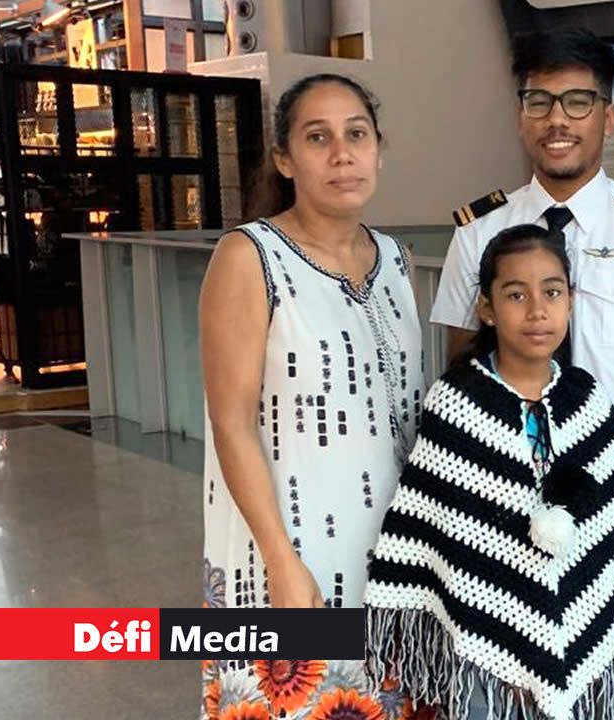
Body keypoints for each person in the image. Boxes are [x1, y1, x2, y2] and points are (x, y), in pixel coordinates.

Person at [428, 28, 614, 718]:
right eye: (540, 101)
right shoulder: (477, 230)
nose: (558, 119)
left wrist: (593, 483)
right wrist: (511, 481)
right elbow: (465, 370)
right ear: (520, 114)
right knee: (509, 673)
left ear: (607, 117)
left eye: (578, 102)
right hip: (502, 492)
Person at [197, 74, 427, 720]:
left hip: (392, 548)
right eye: (318, 138)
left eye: (357, 135)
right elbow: (231, 422)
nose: (342, 154)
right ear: (284, 158)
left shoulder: (397, 260)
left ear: (379, 149)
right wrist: (281, 560)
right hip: (290, 545)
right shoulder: (250, 256)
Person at [364, 224, 614, 720]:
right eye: (516, 295)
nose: (537, 310)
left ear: (570, 301)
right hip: (487, 657)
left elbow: (612, 531)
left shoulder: (588, 401)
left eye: (552, 292)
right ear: (487, 308)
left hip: (583, 643)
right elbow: (438, 532)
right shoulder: (457, 404)